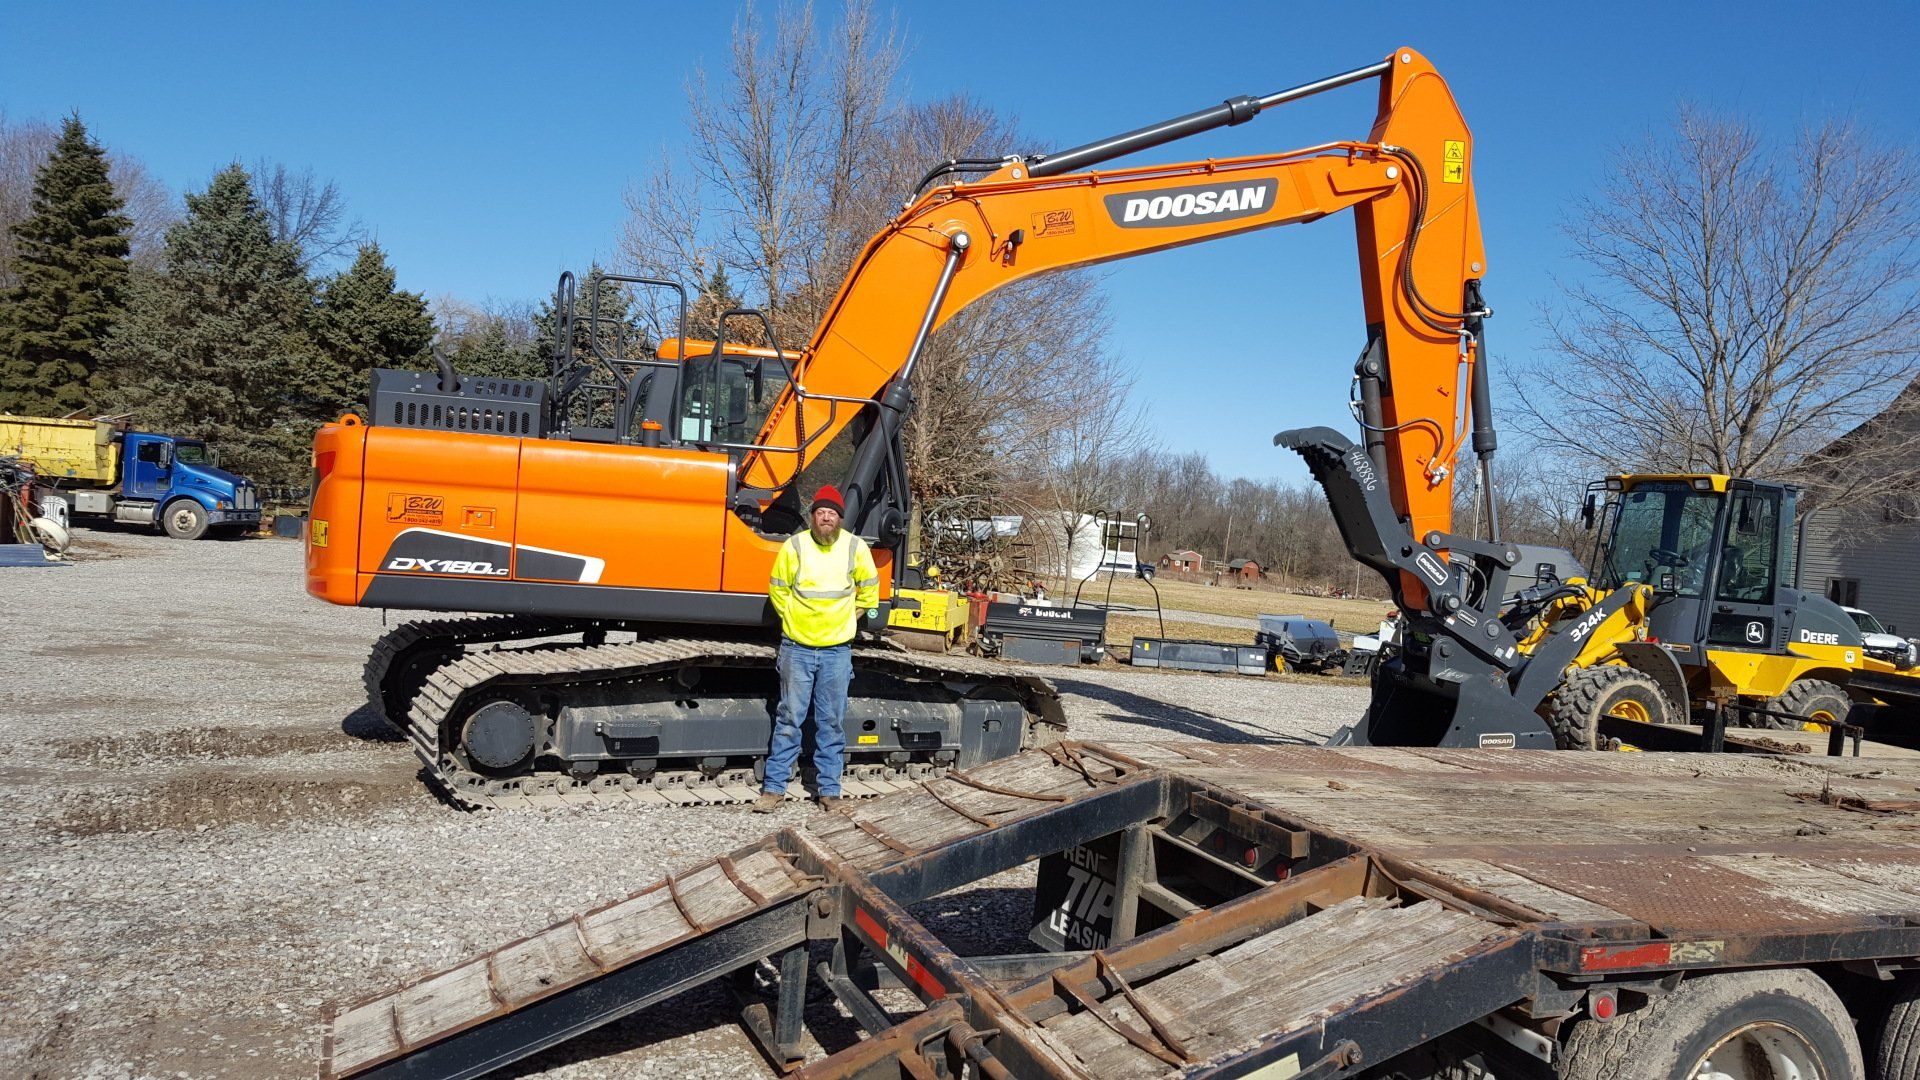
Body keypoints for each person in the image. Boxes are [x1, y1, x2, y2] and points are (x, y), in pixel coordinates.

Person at [754, 485, 879, 812]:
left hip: (836, 651)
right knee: (789, 720)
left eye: (832, 513)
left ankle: (829, 793)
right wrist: (796, 621)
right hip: (797, 648)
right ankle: (773, 790)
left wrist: (845, 622)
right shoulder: (794, 546)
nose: (826, 517)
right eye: (821, 512)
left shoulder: (856, 548)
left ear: (840, 518)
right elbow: (778, 591)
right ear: (812, 517)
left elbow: (869, 594)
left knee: (831, 723)